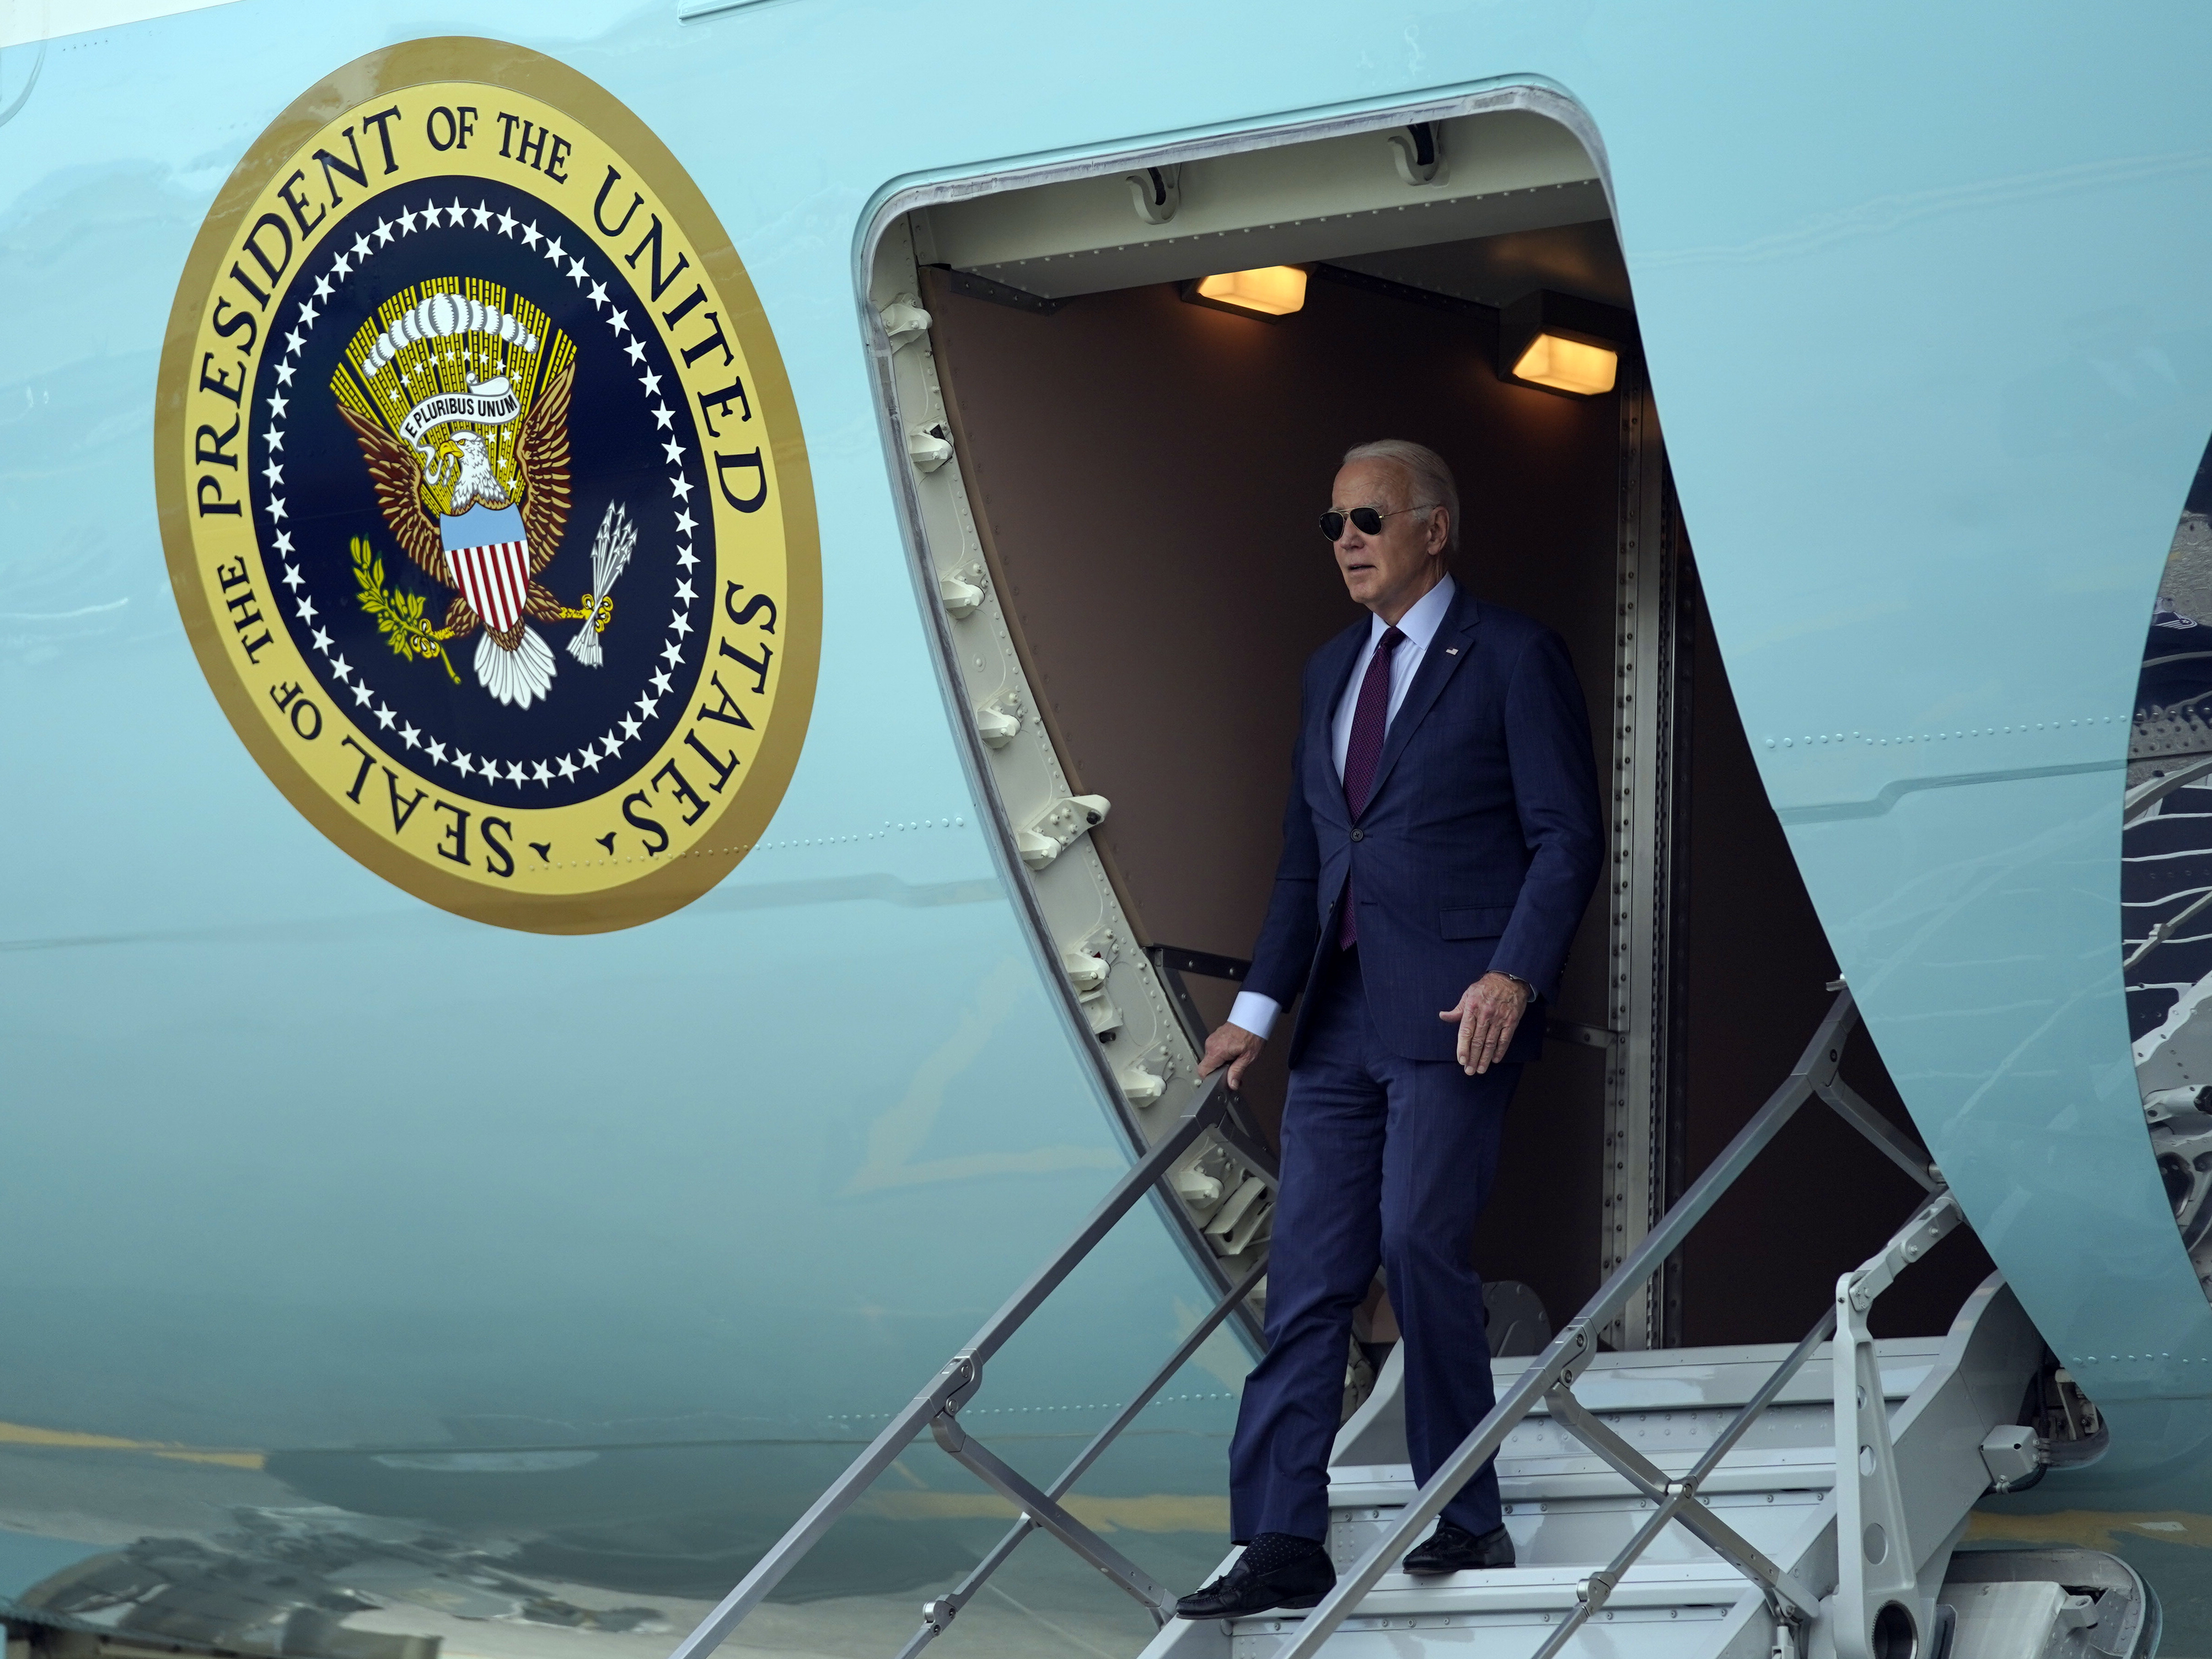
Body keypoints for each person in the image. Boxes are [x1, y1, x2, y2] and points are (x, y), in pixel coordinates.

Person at [1175, 440, 1603, 1620]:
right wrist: (1255, 1014)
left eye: (1367, 518)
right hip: (1341, 1014)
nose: (1347, 540)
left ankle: (1466, 1515)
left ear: (1433, 530)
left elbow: (1568, 837)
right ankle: (1277, 1538)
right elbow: (1309, 857)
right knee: (1306, 1277)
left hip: (1459, 1007)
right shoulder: (1328, 672)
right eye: (1333, 524)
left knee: (1417, 1247)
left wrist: (1513, 976)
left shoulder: (1513, 655)